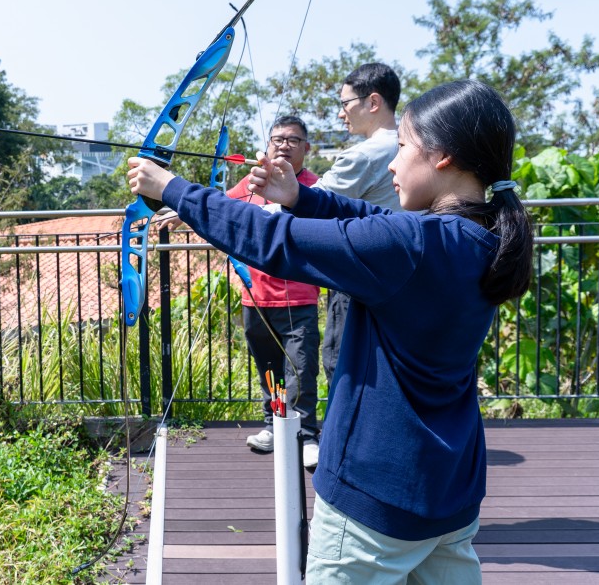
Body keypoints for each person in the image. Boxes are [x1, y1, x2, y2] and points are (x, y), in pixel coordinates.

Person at [127, 79, 533, 582]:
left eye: (403, 147)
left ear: (442, 155)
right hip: (450, 494)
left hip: (374, 500)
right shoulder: (483, 237)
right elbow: (371, 218)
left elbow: (270, 238)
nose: (392, 162)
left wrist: (172, 189)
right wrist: (303, 196)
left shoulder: (411, 245)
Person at [225, 116, 321, 469]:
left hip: (299, 297)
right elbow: (219, 206)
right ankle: (272, 426)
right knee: (268, 368)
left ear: (306, 149)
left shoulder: (317, 188)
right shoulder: (253, 182)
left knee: (301, 369)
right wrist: (179, 209)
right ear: (267, 145)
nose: (284, 145)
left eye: (294, 140)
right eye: (277, 138)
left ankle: (306, 435)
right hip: (255, 296)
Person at [318, 63, 402, 392]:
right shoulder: (419, 145)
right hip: (406, 276)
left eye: (345, 103)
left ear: (373, 102)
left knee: (343, 365)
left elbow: (304, 203)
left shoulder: (365, 156)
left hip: (359, 279)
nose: (342, 114)